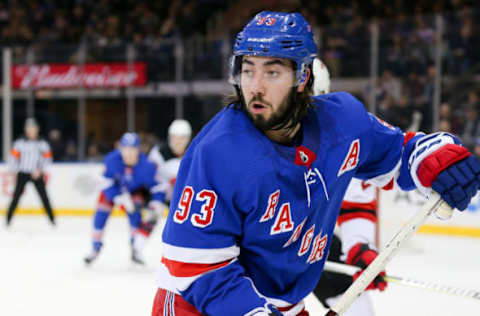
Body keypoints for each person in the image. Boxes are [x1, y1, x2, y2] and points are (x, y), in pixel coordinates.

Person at [152, 11, 480, 316]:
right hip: (198, 307)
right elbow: (196, 268)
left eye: (272, 71)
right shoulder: (217, 152)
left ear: (303, 76)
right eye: (248, 69)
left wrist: (436, 159)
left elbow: (399, 154)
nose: (256, 86)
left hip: (285, 304)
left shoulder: (343, 121)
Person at [311, 58, 379, 315]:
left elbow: (355, 202)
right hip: (265, 253)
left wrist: (359, 248)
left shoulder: (341, 140)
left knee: (358, 311)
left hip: (316, 244)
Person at [84, 132, 166, 265]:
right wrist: (118, 197)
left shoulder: (147, 166)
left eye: (132, 149)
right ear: (120, 148)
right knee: (101, 213)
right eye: (125, 149)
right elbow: (104, 182)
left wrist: (156, 202)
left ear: (138, 150)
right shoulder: (111, 159)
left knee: (135, 214)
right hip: (113, 191)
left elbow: (158, 187)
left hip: (134, 193)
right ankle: (95, 247)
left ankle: (135, 249)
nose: (128, 153)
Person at [133, 119, 193, 250]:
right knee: (153, 214)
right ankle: (137, 247)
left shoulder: (195, 153)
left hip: (184, 197)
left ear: (188, 138)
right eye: (175, 138)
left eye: (182, 138)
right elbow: (149, 176)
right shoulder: (158, 153)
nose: (178, 142)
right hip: (161, 193)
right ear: (169, 137)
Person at [6, 118, 55, 227]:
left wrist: (40, 170)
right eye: (29, 128)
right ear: (25, 129)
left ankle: (53, 220)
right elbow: (13, 158)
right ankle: (7, 220)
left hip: (36, 174)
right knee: (16, 197)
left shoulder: (42, 144)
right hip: (23, 173)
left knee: (44, 197)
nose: (31, 130)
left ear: (37, 129)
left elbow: (48, 159)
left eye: (33, 128)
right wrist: (14, 171)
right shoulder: (19, 143)